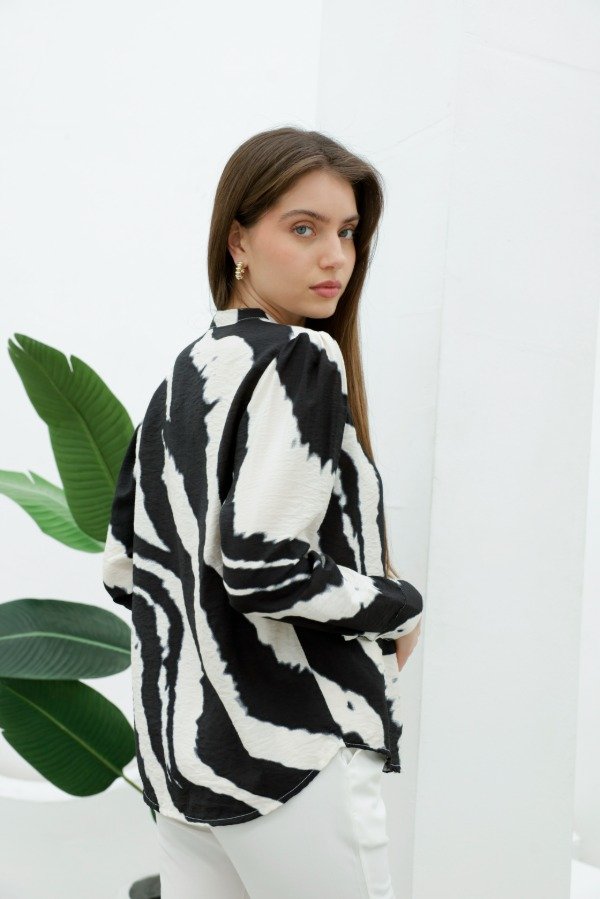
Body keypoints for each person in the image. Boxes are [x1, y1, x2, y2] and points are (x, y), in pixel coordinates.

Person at [102, 125, 424, 898]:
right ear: (238, 240)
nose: (335, 256)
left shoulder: (184, 374)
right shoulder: (301, 357)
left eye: (348, 232)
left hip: (183, 763)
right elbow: (263, 568)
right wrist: (397, 605)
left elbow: (122, 567)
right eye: (304, 229)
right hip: (291, 759)